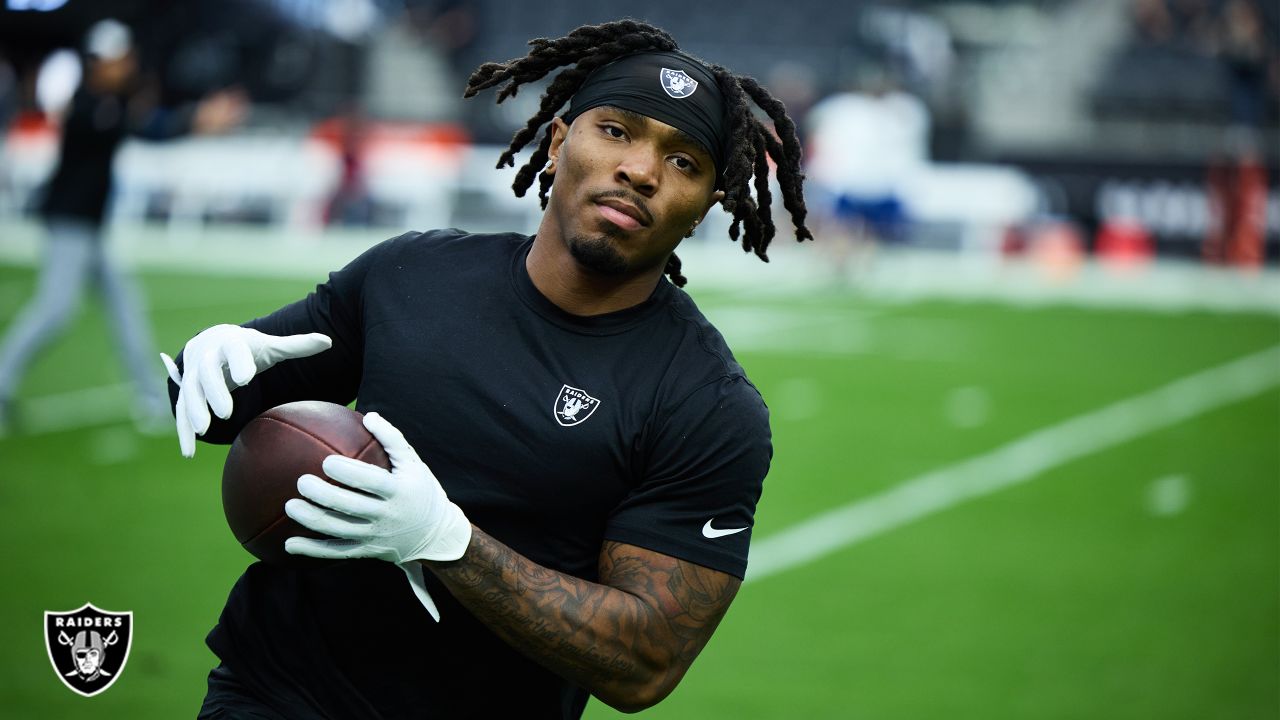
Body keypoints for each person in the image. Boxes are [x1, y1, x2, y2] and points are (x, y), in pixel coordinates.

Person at [165, 20, 811, 718]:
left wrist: (447, 543)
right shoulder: (410, 274)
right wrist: (211, 361)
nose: (641, 171)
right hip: (275, 694)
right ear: (559, 142)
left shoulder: (705, 403)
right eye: (617, 131)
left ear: (708, 206)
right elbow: (214, 413)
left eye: (684, 161)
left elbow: (644, 664)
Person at [0, 19, 246, 432]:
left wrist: (189, 121)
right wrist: (194, 121)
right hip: (70, 223)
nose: (126, 65)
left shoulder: (106, 101)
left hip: (89, 226)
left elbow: (145, 126)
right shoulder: (88, 104)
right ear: (100, 63)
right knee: (55, 309)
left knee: (124, 307)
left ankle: (152, 396)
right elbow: (144, 127)